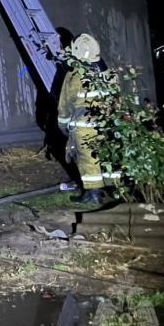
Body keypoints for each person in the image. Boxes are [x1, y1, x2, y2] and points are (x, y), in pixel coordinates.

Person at [57, 33, 118, 204]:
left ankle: (93, 193)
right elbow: (116, 97)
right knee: (108, 156)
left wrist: (63, 125)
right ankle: (115, 190)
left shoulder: (74, 75)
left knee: (88, 158)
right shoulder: (109, 73)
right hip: (107, 123)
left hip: (84, 126)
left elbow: (65, 104)